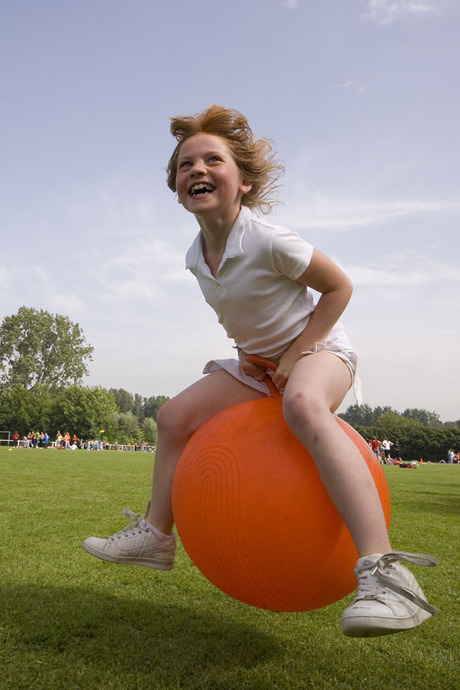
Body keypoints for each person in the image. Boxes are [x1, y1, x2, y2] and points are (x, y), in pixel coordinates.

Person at [83, 105, 438, 637]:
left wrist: (299, 354)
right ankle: (157, 536)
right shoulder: (195, 257)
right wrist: (249, 355)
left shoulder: (270, 239)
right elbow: (247, 316)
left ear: (244, 182)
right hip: (263, 367)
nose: (197, 169)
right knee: (173, 418)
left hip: (324, 355)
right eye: (185, 165)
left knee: (301, 404)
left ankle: (389, 578)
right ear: (176, 188)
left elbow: (339, 287)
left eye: (212, 159)